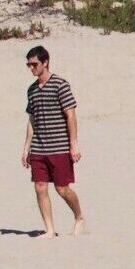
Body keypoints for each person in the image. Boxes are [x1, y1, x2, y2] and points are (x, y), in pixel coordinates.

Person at [22, 44, 85, 236]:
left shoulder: (60, 85)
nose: (31, 68)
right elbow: (32, 120)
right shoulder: (32, 90)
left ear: (45, 62)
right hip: (39, 148)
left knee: (62, 189)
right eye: (28, 65)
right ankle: (49, 229)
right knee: (40, 187)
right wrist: (26, 149)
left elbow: (71, 115)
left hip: (59, 146)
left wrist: (73, 145)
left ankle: (79, 217)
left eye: (34, 64)